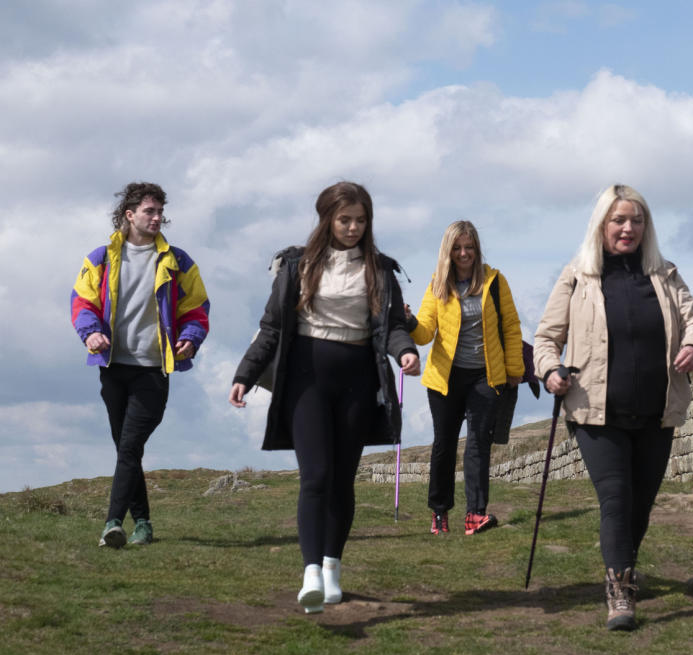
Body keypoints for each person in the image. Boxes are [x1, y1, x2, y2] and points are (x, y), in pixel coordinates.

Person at [229, 182, 419, 614]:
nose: (353, 227)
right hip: (305, 379)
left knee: (342, 478)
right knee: (314, 475)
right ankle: (310, 572)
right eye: (344, 219)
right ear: (327, 219)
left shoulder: (381, 270)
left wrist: (405, 351)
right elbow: (273, 327)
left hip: (357, 378)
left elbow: (391, 327)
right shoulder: (297, 265)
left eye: (361, 220)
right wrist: (245, 374)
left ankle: (332, 567)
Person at [534, 184, 693, 631]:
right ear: (601, 225)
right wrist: (551, 369)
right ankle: (620, 592)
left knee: (640, 505)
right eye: (619, 220)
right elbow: (546, 338)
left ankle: (623, 565)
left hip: (657, 410)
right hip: (595, 412)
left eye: (636, 220)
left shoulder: (665, 273)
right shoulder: (578, 275)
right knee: (616, 499)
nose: (628, 228)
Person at [71, 182, 210, 548]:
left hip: (153, 369)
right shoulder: (101, 257)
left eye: (160, 211)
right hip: (113, 367)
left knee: (129, 447)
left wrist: (191, 338)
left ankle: (112, 523)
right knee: (126, 450)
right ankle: (144, 524)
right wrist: (89, 333)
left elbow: (196, 308)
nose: (157, 217)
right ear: (129, 215)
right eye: (150, 211)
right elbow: (82, 301)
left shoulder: (178, 262)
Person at [409, 221, 524, 536]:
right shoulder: (438, 285)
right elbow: (424, 332)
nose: (464, 253)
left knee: (477, 445)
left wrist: (514, 370)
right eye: (458, 248)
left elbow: (512, 328)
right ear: (448, 251)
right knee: (444, 445)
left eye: (469, 247)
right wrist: (407, 322)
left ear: (477, 249)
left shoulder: (494, 282)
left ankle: (475, 514)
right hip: (444, 379)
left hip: (484, 378)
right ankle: (440, 513)